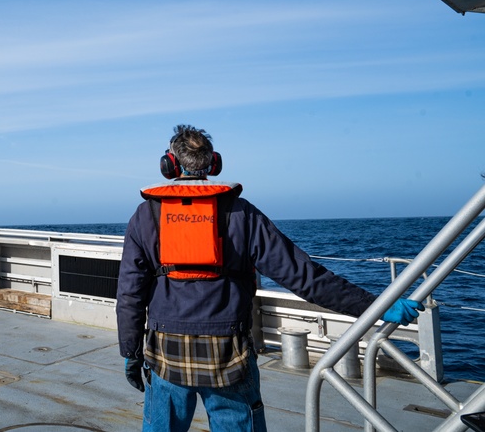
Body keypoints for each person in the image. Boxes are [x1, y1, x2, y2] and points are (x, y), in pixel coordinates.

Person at [115, 124, 423, 432]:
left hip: (166, 351)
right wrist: (378, 305)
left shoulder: (145, 216)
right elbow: (305, 277)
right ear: (212, 163)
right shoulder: (243, 214)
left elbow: (130, 293)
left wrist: (130, 352)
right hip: (229, 352)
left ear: (169, 163)